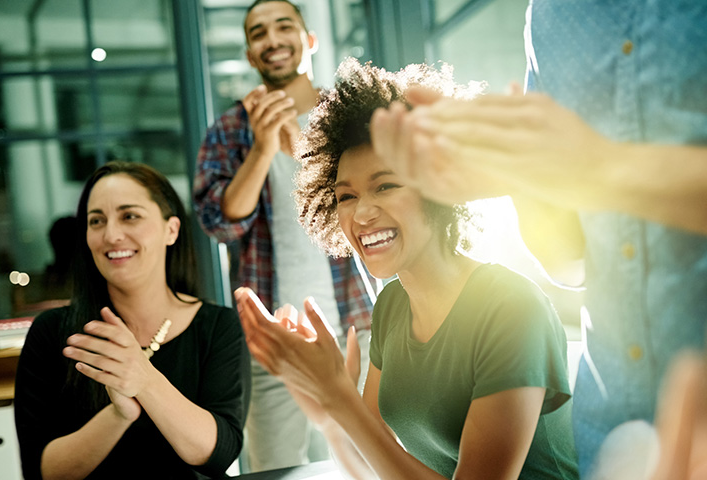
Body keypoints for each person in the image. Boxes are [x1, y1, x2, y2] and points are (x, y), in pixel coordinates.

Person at [367, 2, 707, 478]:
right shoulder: (551, 15)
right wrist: (515, 173)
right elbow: (570, 263)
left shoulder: (506, 308)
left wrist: (601, 168)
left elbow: (591, 170)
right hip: (609, 437)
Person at [235, 58, 579, 479]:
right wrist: (328, 414)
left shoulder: (511, 309)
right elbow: (373, 467)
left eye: (385, 186)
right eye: (345, 196)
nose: (361, 214)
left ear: (438, 186)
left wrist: (341, 399)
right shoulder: (392, 306)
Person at [193, 0, 375, 472]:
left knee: (370, 461)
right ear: (251, 54)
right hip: (273, 337)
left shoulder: (348, 113)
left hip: (359, 325)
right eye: (258, 33)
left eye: (283, 27)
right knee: (274, 468)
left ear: (308, 39)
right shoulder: (229, 130)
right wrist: (261, 147)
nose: (272, 39)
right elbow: (219, 221)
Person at [14, 161, 251, 480]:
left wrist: (144, 379)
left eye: (130, 216)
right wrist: (119, 414)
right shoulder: (51, 333)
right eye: (96, 221)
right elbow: (42, 472)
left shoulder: (217, 326)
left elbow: (216, 454)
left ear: (171, 230)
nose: (111, 235)